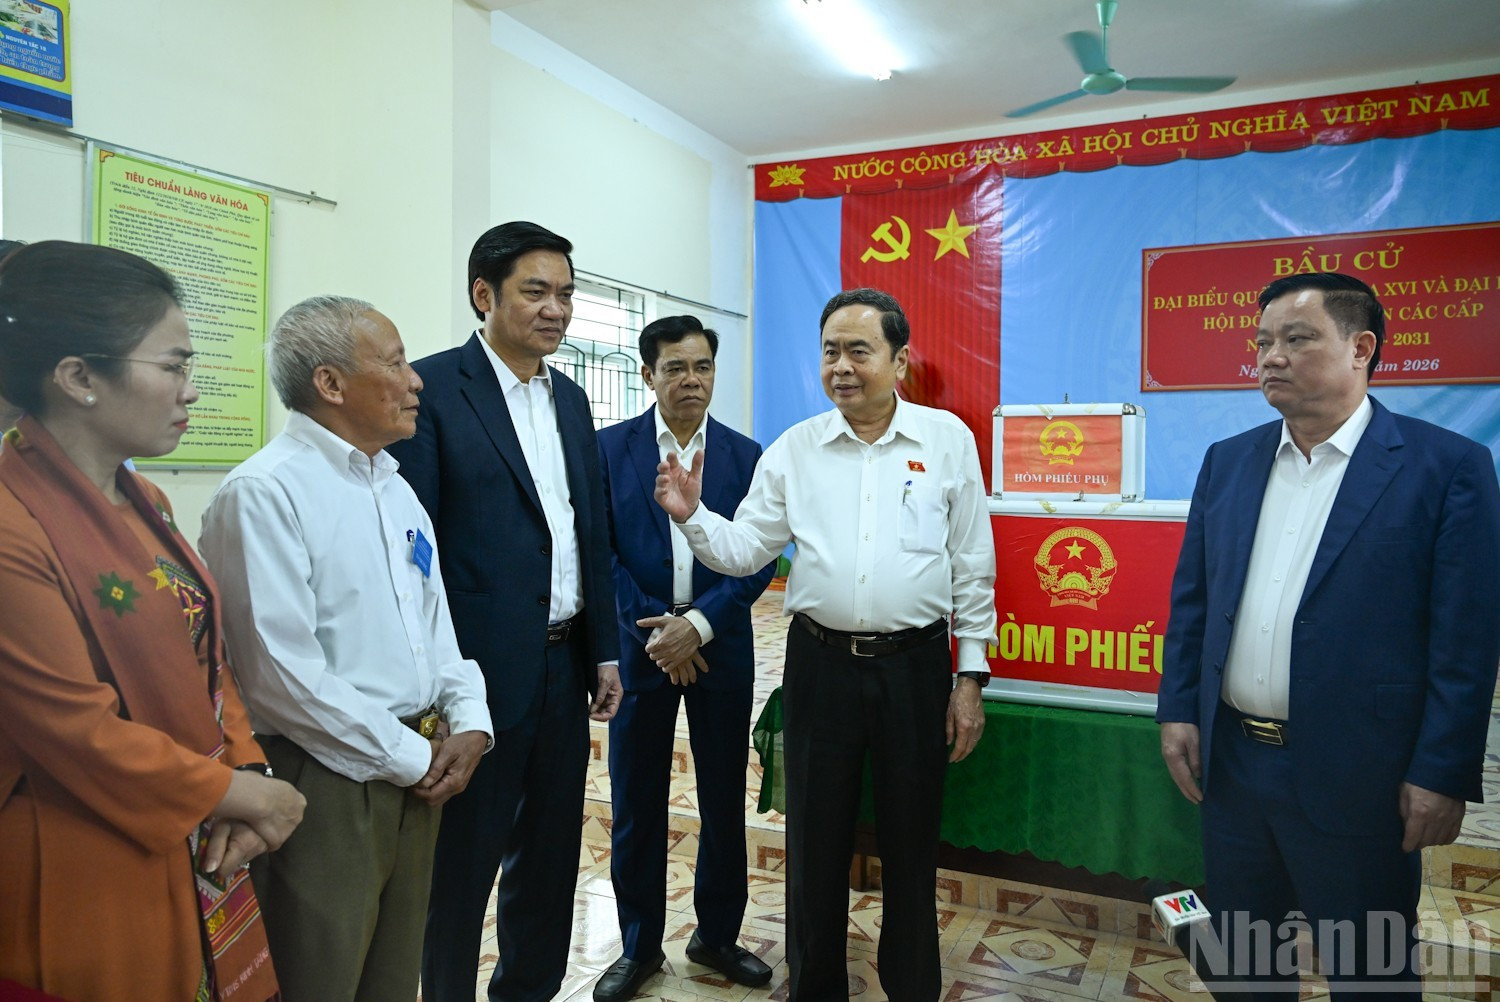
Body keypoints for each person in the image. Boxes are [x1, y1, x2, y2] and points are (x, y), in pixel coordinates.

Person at [1156, 272, 1500, 998]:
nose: (1270, 357)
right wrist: (1178, 710)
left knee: (1370, 973)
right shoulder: (1230, 460)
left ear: (1361, 348)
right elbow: (1193, 602)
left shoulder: (1446, 468)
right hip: (1236, 769)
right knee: (1244, 970)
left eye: (1296, 338)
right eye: (1262, 342)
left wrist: (1441, 770)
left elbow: (1465, 641)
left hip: (1362, 777)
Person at [654, 288, 996, 1002]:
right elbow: (747, 550)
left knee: (910, 844)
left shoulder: (947, 442)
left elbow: (972, 566)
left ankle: (911, 987)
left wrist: (970, 679)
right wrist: (692, 517)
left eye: (859, 350)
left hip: (914, 669)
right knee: (814, 845)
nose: (841, 366)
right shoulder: (796, 449)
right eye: (830, 351)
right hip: (820, 669)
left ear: (900, 361)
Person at [0, 241, 304, 1001]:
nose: (191, 391)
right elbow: (75, 729)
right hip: (80, 852)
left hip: (188, 826)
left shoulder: (147, 502)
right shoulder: (11, 526)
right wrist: (238, 797)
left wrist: (246, 766)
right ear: (78, 378)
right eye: (172, 367)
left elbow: (209, 657)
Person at [200, 295, 493, 1002]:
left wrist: (472, 716)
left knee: (392, 979)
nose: (415, 379)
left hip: (413, 769)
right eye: (394, 364)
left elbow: (435, 624)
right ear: (330, 384)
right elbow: (281, 678)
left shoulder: (393, 489)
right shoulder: (265, 493)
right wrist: (411, 756)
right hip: (325, 779)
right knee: (320, 976)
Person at [386, 221, 622, 1002]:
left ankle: (528, 991)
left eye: (565, 294)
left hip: (564, 665)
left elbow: (591, 528)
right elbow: (411, 558)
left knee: (551, 857)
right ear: (484, 294)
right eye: (536, 291)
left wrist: (605, 650)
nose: (556, 309)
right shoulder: (431, 390)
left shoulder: (574, 399)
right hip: (476, 675)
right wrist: (440, 689)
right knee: (462, 864)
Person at [594, 316, 776, 999]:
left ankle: (718, 937)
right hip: (640, 650)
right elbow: (599, 550)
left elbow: (759, 558)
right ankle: (638, 948)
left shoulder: (745, 456)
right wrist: (657, 633)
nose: (691, 380)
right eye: (675, 368)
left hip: (718, 647)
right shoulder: (608, 450)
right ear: (648, 375)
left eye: (702, 367)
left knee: (723, 799)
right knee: (638, 800)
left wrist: (698, 625)